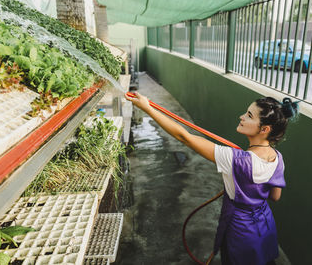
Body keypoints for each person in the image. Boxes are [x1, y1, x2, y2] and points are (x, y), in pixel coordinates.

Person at [125, 92, 299, 265]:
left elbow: (184, 137)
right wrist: (249, 189)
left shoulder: (235, 159)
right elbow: (275, 197)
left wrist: (147, 108)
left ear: (264, 129)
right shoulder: (278, 158)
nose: (242, 117)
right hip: (264, 226)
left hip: (241, 229)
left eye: (249, 115)